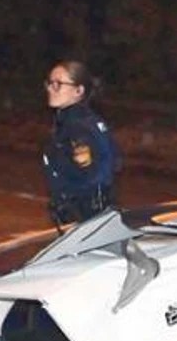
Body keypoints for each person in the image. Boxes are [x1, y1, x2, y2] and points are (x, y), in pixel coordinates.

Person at [42, 60, 122, 225]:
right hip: (93, 212)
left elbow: (93, 174)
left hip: (87, 215)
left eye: (58, 84)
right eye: (49, 83)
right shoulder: (82, 121)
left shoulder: (78, 127)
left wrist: (72, 206)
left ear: (78, 90)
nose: (50, 89)